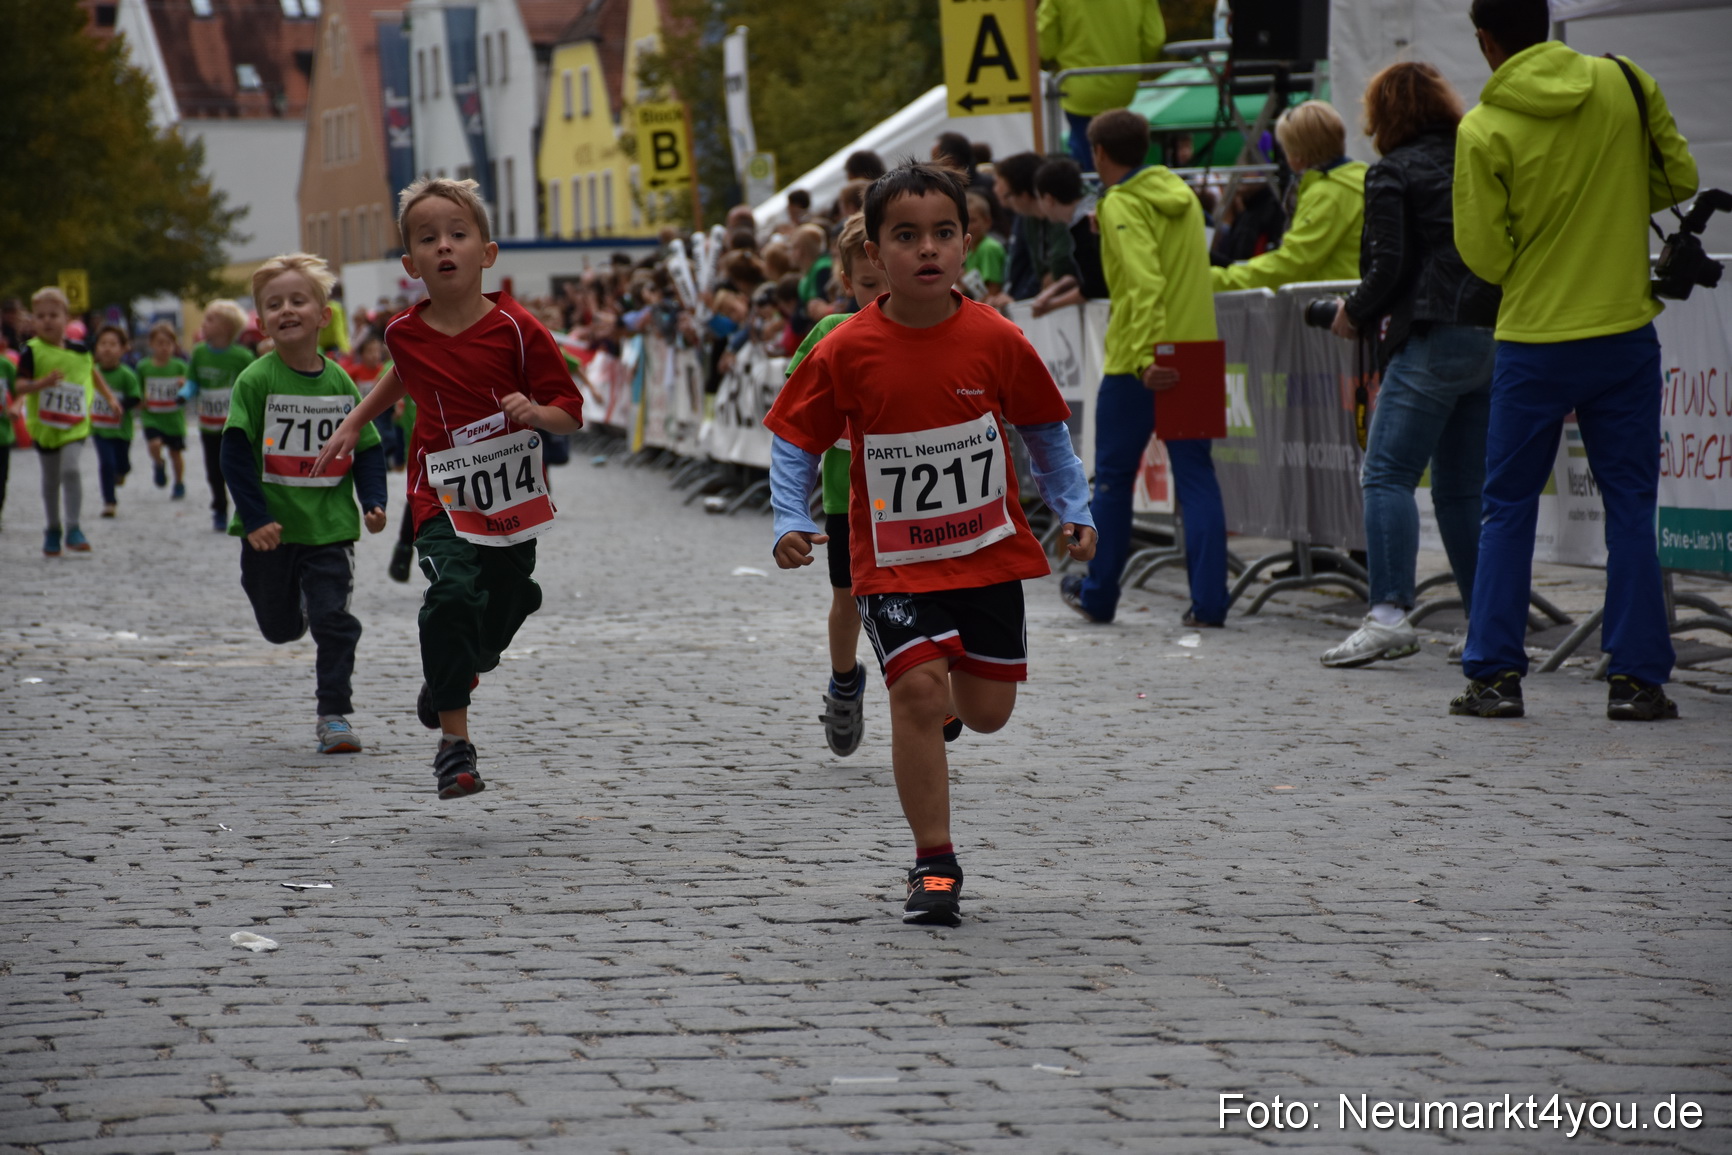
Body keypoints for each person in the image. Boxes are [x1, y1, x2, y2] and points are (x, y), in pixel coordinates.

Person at [765, 161, 1097, 928]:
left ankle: (946, 702)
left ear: (966, 244)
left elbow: (1045, 430)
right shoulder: (846, 346)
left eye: (942, 234)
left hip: (985, 553)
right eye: (905, 236)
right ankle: (934, 862)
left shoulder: (995, 336)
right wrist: (791, 516)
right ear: (875, 254)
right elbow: (794, 438)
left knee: (985, 713)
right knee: (916, 693)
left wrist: (1073, 505)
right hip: (893, 563)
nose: (927, 250)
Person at [1449, 0, 1697, 721]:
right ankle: (1638, 681)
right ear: (1549, 23)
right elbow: (1676, 177)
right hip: (1623, 332)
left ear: (1486, 42)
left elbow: (1485, 254)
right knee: (1630, 507)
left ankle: (1495, 677)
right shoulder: (1624, 81)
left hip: (1534, 338)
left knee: (1507, 507)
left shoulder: (1483, 126)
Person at [315, 177, 586, 797]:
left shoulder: (520, 329)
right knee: (453, 597)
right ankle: (454, 747)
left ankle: (451, 672)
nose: (445, 247)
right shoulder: (403, 332)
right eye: (428, 238)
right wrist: (357, 419)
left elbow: (570, 409)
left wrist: (536, 414)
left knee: (512, 595)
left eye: (458, 235)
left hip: (514, 499)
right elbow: (403, 373)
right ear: (411, 263)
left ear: (486, 253)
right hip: (442, 495)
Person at [1318, 63, 1502, 669]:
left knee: (1388, 473)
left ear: (1383, 115)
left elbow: (1389, 264)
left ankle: (1390, 614)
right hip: (1494, 332)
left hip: (1430, 335)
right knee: (1462, 492)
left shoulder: (1391, 170)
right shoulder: (1475, 154)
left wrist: (1354, 312)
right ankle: (1487, 624)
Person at [1061, 109, 1228, 628]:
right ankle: (1210, 605)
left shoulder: (1120, 204)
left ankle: (1098, 593)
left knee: (1111, 481)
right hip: (1196, 346)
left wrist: (1148, 356)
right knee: (1197, 478)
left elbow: (1144, 283)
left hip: (1142, 360)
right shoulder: (1179, 195)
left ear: (1099, 154)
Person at [220, 253, 389, 754]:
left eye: (299, 300)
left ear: (323, 316)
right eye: (274, 304)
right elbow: (233, 456)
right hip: (270, 531)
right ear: (260, 321)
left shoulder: (340, 382)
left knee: (334, 619)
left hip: (330, 530)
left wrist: (374, 501)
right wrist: (255, 518)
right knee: (278, 629)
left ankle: (334, 714)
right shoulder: (255, 380)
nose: (287, 310)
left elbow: (369, 447)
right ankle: (293, 613)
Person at [782, 214, 887, 758]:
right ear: (847, 283)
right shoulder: (830, 333)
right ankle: (845, 680)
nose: (880, 297)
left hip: (913, 503)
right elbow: (794, 410)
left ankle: (931, 684)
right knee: (847, 597)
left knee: (928, 593)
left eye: (887, 283)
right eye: (868, 286)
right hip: (847, 496)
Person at [12, 287, 124, 556]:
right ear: (33, 321)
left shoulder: (80, 349)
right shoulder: (31, 352)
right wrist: (43, 383)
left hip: (74, 423)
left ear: (66, 318)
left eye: (53, 315)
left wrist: (109, 397)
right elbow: (20, 385)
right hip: (46, 425)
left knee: (71, 470)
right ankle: (53, 528)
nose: (47, 321)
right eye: (40, 316)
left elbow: (91, 372)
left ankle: (74, 528)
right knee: (51, 479)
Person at [1212, 102, 1368, 291]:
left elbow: (1294, 261)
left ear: (1297, 156)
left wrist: (1220, 279)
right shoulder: (1359, 179)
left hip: (1335, 305)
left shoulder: (1327, 193)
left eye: (1285, 148)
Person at [1037, 0, 1166, 172]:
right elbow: (1154, 40)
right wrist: (1136, 61)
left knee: (1086, 158)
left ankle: (1094, 189)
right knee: (1121, 154)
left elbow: (1045, 46)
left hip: (1078, 87)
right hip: (1122, 85)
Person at [185, 301, 255, 532]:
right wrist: (183, 394)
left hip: (234, 427)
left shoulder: (242, 356)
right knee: (214, 471)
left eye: (209, 319)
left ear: (226, 327)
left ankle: (245, 507)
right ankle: (218, 509)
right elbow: (193, 380)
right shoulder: (199, 352)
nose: (203, 323)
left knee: (237, 468)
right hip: (208, 426)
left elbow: (252, 385)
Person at [1028, 157, 1109, 315]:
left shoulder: (1085, 226)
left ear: (1049, 199)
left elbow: (1094, 286)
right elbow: (1080, 275)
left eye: (1039, 198)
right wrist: (1052, 291)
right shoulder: (1085, 218)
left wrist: (1051, 306)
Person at [994, 152, 1074, 303]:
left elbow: (1059, 268)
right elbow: (1040, 274)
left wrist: (1020, 300)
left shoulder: (1060, 218)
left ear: (1024, 196)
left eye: (1008, 196)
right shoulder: (1029, 220)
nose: (995, 190)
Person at [89, 325, 141, 518]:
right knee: (106, 463)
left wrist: (119, 405)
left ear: (123, 348)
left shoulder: (127, 374)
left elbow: (136, 398)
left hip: (121, 431)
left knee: (122, 465)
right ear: (96, 348)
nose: (107, 348)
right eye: (103, 344)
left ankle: (122, 472)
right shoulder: (92, 373)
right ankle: (109, 502)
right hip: (100, 429)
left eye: (113, 344)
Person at [138, 322, 189, 500]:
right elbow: (137, 389)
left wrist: (184, 387)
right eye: (160, 343)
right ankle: (158, 464)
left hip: (173, 417)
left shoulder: (179, 366)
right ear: (151, 344)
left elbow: (189, 389)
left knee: (176, 454)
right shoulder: (144, 367)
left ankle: (179, 482)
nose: (164, 348)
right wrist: (140, 399)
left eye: (168, 343)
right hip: (152, 416)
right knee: (154, 444)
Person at [961, 191, 1007, 300]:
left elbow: (993, 290)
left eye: (973, 221)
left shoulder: (988, 248)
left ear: (987, 221)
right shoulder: (970, 251)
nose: (968, 227)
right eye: (963, 222)